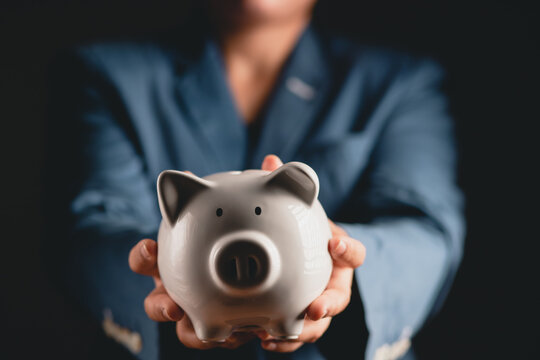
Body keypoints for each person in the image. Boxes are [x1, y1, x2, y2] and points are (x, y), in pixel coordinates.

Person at [45, 0, 465, 359]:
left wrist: (342, 258)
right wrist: (163, 272)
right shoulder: (106, 75)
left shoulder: (400, 82)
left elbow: (424, 229)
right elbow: (89, 231)